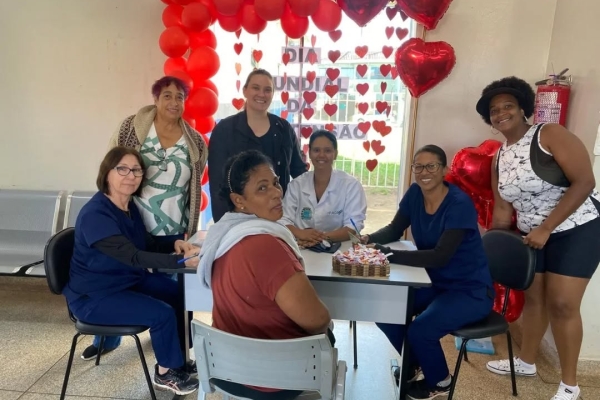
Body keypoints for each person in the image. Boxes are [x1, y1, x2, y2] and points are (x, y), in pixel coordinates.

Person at [476, 76, 600, 400]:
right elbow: (503, 210)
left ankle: (570, 385)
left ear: (523, 108)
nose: (501, 113)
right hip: (532, 235)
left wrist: (547, 228)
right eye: (494, 110)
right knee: (535, 299)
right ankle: (527, 362)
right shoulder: (499, 157)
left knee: (562, 303)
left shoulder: (549, 134)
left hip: (577, 228)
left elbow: (584, 182)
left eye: (508, 106)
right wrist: (492, 249)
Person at [85, 76, 208, 360]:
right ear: (155, 99)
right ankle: (106, 338)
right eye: (167, 95)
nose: (174, 102)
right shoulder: (132, 127)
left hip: (171, 225)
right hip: (131, 222)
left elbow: (195, 184)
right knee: (119, 276)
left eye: (179, 97)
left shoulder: (195, 141)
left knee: (170, 289)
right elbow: (114, 164)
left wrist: (190, 229)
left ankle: (171, 342)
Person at [61, 147, 200, 396]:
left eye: (136, 170)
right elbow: (133, 257)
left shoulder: (128, 206)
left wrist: (175, 244)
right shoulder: (96, 214)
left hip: (126, 281)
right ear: (107, 173)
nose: (131, 176)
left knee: (179, 294)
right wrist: (181, 262)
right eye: (122, 169)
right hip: (93, 296)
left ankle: (178, 359)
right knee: (161, 313)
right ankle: (165, 372)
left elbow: (145, 244)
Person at [360, 145, 494, 400]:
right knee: (385, 310)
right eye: (418, 166)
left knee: (420, 330)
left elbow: (440, 256)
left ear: (444, 170)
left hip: (470, 290)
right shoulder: (414, 194)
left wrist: (389, 254)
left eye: (431, 166)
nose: (424, 172)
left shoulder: (459, 204)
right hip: (433, 283)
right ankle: (413, 363)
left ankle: (441, 382)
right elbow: (395, 229)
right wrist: (368, 239)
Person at [199, 150, 332, 400]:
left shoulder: (222, 237)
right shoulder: (266, 246)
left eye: (275, 182)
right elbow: (317, 320)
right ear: (239, 200)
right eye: (262, 188)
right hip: (276, 378)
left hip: (228, 370)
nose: (276, 193)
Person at [208, 69, 307, 223]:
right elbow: (218, 185)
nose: (262, 94)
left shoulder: (284, 129)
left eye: (267, 90)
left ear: (272, 94)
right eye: (256, 88)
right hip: (240, 222)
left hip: (280, 219)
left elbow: (299, 175)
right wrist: (224, 224)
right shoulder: (224, 130)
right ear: (245, 91)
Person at [280, 129, 367, 247]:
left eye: (327, 150)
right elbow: (284, 220)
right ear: (310, 153)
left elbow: (353, 226)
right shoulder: (296, 185)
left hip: (338, 249)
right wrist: (301, 234)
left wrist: (318, 238)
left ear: (335, 154)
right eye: (316, 150)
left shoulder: (351, 186)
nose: (321, 155)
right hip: (301, 246)